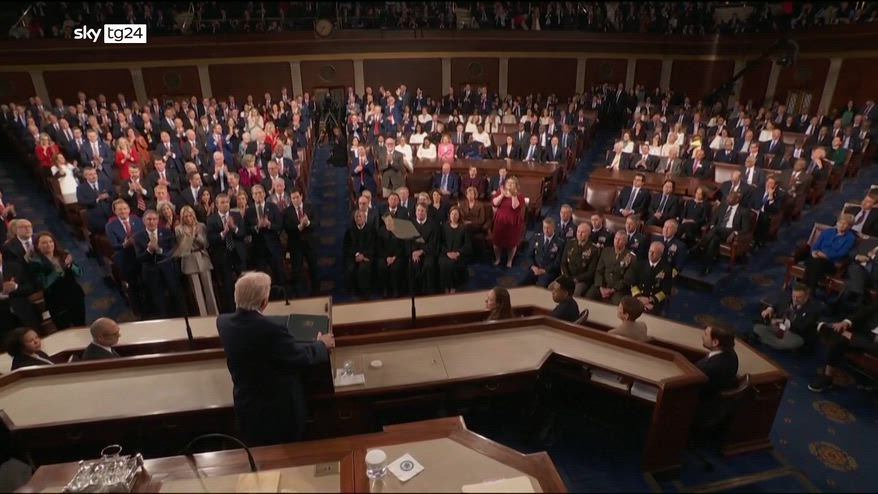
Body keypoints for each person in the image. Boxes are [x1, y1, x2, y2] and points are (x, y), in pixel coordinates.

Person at [216, 271, 335, 446]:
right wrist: (321, 345)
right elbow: (298, 357)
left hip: (247, 406)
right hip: (278, 413)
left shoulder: (223, 322)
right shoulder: (271, 329)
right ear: (264, 302)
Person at [808, 302, 878, 393]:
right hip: (866, 337)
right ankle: (827, 377)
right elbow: (863, 312)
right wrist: (846, 322)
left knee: (843, 336)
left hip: (873, 343)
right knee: (840, 341)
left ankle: (843, 334)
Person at [27, 231, 86, 330]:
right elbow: (43, 284)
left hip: (75, 296)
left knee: (81, 326)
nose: (49, 244)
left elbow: (80, 273)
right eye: (44, 243)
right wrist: (57, 271)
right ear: (37, 246)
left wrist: (70, 265)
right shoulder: (35, 263)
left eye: (51, 241)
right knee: (64, 330)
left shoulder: (64, 254)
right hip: (56, 301)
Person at [134, 209, 185, 319]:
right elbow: (139, 258)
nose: (152, 222)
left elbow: (173, 250)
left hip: (168, 269)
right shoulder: (138, 237)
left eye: (154, 219)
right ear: (144, 221)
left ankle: (182, 318)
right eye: (149, 219)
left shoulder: (166, 232)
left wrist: (159, 250)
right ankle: (164, 320)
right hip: (151, 272)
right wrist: (149, 250)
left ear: (158, 220)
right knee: (158, 299)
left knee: (176, 295)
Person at [752, 284, 823, 351]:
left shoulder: (813, 309)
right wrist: (769, 309)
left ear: (806, 297)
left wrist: (781, 321)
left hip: (795, 333)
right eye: (794, 296)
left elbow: (801, 327)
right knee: (757, 328)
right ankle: (775, 343)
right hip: (779, 327)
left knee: (794, 342)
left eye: (799, 297)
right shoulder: (787, 298)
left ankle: (764, 340)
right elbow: (776, 305)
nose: (795, 299)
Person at [176, 205, 218, 316]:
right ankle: (202, 315)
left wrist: (196, 236)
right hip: (189, 258)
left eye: (190, 215)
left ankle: (214, 313)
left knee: (209, 288)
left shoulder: (201, 226)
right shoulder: (179, 229)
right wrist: (189, 237)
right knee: (197, 291)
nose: (188, 218)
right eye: (186, 216)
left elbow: (206, 244)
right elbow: (183, 248)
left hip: (202, 257)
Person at [697, 191, 751, 275]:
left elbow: (746, 228)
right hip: (718, 232)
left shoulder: (743, 211)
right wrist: (712, 225)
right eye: (728, 197)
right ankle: (706, 267)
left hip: (730, 233)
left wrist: (735, 232)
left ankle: (699, 246)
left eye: (730, 198)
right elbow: (713, 219)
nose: (727, 199)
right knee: (714, 240)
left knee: (715, 229)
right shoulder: (722, 207)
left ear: (737, 199)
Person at [800, 214, 856, 288]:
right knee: (815, 262)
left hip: (831, 263)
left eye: (845, 224)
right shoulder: (828, 231)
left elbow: (842, 253)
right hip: (817, 257)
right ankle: (809, 290)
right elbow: (816, 245)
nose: (841, 225)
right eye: (840, 222)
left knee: (815, 263)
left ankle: (804, 288)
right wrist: (814, 252)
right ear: (837, 222)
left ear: (850, 226)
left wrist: (825, 255)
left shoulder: (850, 238)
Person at [284, 190, 319, 297]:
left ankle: (316, 293)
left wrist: (307, 223)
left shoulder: (310, 207)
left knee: (314, 268)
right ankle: (299, 295)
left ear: (301, 196)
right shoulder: (287, 211)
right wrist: (299, 226)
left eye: (297, 197)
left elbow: (317, 223)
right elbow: (287, 228)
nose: (295, 200)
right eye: (293, 198)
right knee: (297, 271)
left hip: (310, 244)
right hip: (296, 245)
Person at [587, 230, 635, 304]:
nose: (617, 241)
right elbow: (599, 271)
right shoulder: (606, 251)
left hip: (618, 289)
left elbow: (627, 279)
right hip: (602, 285)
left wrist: (613, 290)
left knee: (617, 302)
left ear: (625, 242)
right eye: (616, 238)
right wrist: (601, 287)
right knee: (589, 296)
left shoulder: (631, 257)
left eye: (620, 240)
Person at [696, 324, 740, 398]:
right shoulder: (733, 355)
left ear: (715, 342)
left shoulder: (705, 367)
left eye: (705, 334)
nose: (702, 336)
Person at [630, 241, 674, 314]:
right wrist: (639, 297)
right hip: (638, 297)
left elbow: (666, 290)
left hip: (654, 301)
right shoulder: (640, 264)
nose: (651, 254)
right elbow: (632, 283)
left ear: (660, 254)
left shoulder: (667, 269)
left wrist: (650, 300)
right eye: (650, 251)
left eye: (654, 252)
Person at [491, 176, 525, 268]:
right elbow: (495, 203)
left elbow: (515, 207)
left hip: (513, 222)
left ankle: (509, 261)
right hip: (500, 221)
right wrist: (502, 195)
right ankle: (498, 259)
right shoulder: (500, 192)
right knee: (496, 242)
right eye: (508, 182)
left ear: (516, 185)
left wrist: (513, 194)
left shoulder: (519, 196)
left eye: (512, 183)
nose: (509, 184)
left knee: (511, 243)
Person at [343, 209, 376, 300]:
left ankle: (365, 294)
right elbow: (347, 246)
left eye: (360, 216)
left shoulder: (371, 230)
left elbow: (373, 246)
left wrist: (363, 256)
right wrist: (357, 254)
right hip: (353, 257)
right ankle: (354, 293)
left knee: (363, 269)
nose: (358, 218)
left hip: (367, 257)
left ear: (365, 218)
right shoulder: (350, 230)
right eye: (356, 217)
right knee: (350, 269)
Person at [438, 206, 472, 293]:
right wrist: (447, 253)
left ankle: (453, 286)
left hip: (459, 254)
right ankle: (446, 286)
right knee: (443, 263)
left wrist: (457, 253)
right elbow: (440, 243)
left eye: (456, 214)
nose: (453, 216)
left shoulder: (463, 228)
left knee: (453, 264)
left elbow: (467, 245)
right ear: (449, 215)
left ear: (459, 216)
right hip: (446, 253)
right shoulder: (444, 227)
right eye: (452, 214)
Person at [561, 222, 600, 297]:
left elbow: (590, 272)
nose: (580, 234)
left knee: (576, 294)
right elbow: (563, 263)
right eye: (578, 231)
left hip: (582, 280)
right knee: (552, 287)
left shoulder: (594, 249)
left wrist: (576, 279)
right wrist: (567, 276)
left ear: (588, 234)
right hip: (568, 275)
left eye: (583, 232)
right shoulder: (570, 243)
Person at [524, 218, 566, 287]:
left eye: (548, 228)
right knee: (522, 283)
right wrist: (533, 266)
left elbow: (557, 262)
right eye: (544, 227)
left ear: (553, 228)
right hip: (535, 268)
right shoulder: (536, 238)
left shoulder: (560, 243)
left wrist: (544, 270)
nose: (546, 230)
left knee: (541, 288)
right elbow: (529, 255)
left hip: (548, 272)